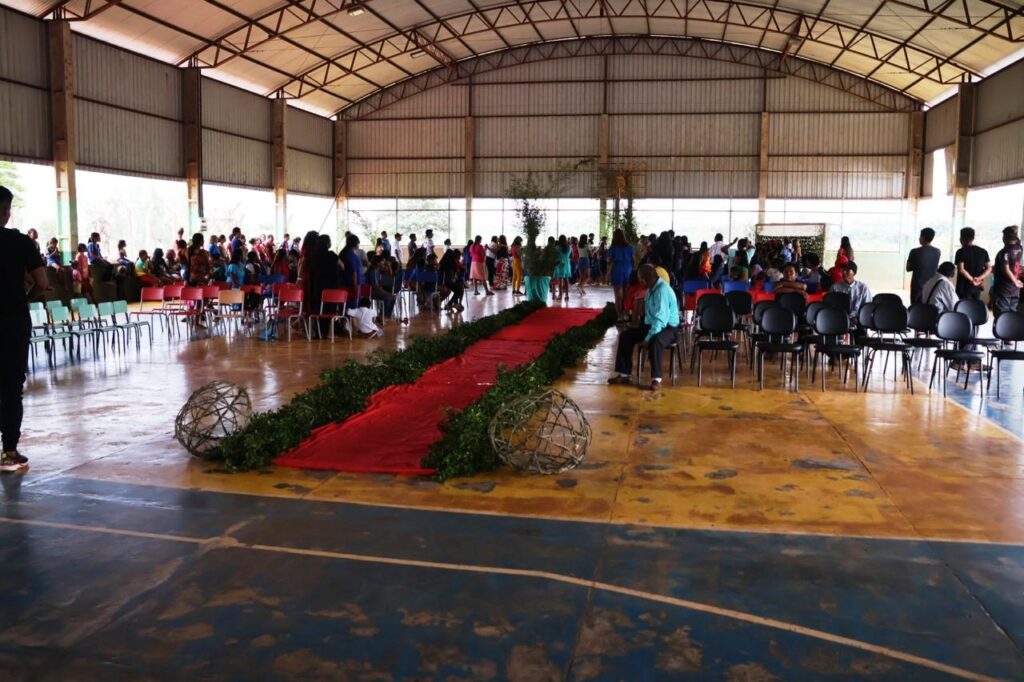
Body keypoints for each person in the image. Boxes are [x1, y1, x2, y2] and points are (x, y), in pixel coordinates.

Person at [0, 187, 48, 473]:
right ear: (6, 212)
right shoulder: (21, 243)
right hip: (12, 323)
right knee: (10, 389)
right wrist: (24, 300)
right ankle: (8, 452)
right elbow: (42, 283)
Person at [608, 264, 680, 391]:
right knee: (626, 336)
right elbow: (648, 316)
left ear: (644, 280)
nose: (639, 281)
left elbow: (660, 321)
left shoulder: (661, 291)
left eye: (640, 278)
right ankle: (625, 374)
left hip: (668, 327)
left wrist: (647, 338)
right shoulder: (651, 289)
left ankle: (656, 379)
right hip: (652, 325)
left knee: (655, 341)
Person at [992, 225, 1023, 317]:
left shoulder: (1004, 252)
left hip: (1003, 290)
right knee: (1012, 316)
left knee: (1001, 317)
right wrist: (1016, 283)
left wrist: (1015, 282)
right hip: (1015, 290)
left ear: (1005, 237)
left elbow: (1006, 269)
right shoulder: (1019, 248)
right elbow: (1017, 240)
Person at [954, 227, 991, 301]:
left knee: (962, 309)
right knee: (974, 308)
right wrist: (978, 279)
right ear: (973, 238)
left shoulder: (961, 251)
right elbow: (989, 268)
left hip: (963, 288)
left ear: (961, 238)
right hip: (977, 286)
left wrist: (972, 280)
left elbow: (961, 269)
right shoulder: (983, 251)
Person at [906, 227, 941, 304]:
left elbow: (908, 268)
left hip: (917, 285)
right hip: (932, 284)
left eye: (920, 236)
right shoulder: (937, 251)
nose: (919, 238)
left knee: (915, 307)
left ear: (922, 237)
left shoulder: (914, 251)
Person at [607, 228, 635, 321]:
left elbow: (609, 262)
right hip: (628, 270)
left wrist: (607, 275)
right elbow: (633, 260)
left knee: (618, 295)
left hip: (617, 270)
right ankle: (626, 314)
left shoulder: (613, 248)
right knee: (627, 294)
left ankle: (619, 316)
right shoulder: (630, 247)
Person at [552, 235, 571, 300]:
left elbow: (555, 256)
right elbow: (571, 256)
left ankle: (560, 295)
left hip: (560, 264)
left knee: (560, 281)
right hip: (567, 264)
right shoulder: (569, 247)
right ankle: (567, 295)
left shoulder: (557, 248)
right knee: (566, 280)